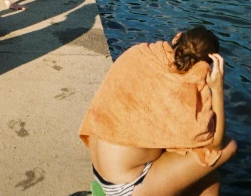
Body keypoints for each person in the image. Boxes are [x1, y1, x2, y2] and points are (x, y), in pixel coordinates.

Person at [79, 26, 237, 196]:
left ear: (177, 37)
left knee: (209, 179)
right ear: (206, 67)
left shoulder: (140, 52)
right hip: (124, 187)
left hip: (101, 168)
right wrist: (217, 89)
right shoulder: (184, 89)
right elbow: (215, 145)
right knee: (227, 148)